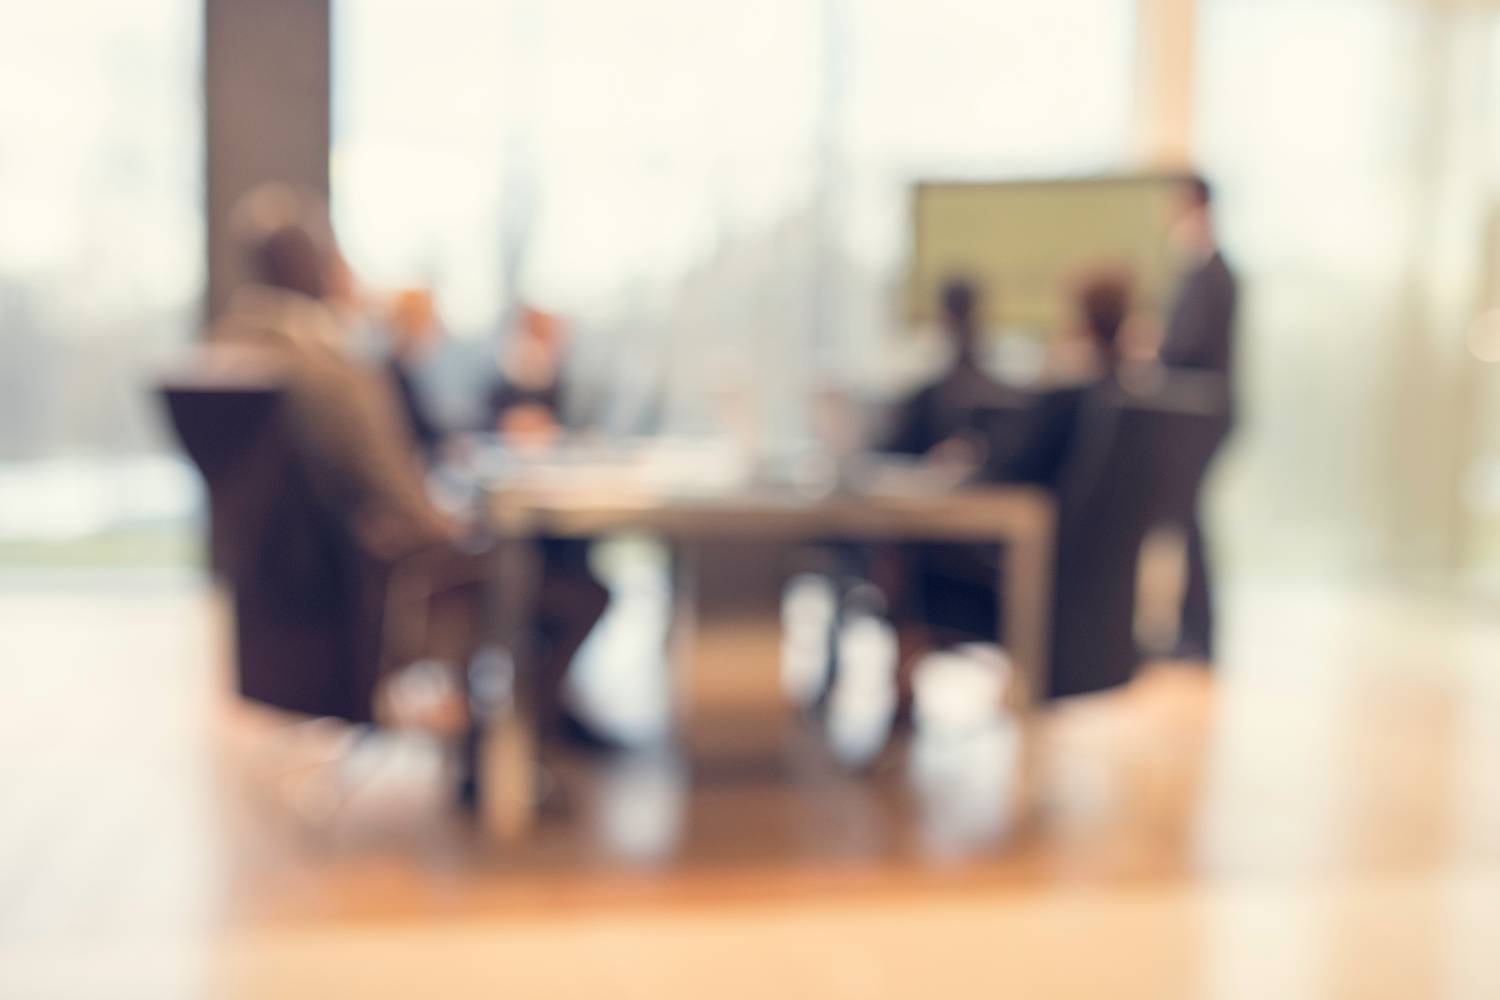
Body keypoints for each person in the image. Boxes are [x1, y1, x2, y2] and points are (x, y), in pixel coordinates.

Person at [206, 184, 611, 753]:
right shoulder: (331, 374)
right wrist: (457, 526)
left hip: (302, 603)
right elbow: (402, 502)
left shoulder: (229, 358)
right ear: (316, 270)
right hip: (386, 590)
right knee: (574, 583)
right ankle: (515, 748)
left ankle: (513, 743)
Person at [1158, 174, 1238, 662]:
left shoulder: (1212, 273)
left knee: (1191, 519)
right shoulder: (1202, 270)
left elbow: (1185, 348)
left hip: (1203, 415)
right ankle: (1192, 628)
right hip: (1201, 413)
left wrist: (1153, 348)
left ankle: (1199, 631)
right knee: (1189, 520)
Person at [384, 289, 446, 465]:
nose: (436, 327)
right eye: (430, 319)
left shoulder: (409, 371)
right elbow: (412, 432)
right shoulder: (392, 376)